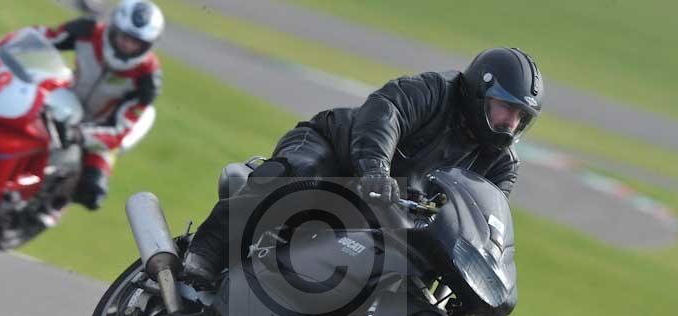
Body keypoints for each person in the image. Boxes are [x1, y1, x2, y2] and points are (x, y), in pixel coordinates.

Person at [183, 47, 544, 283]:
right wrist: (375, 169)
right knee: (296, 178)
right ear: (480, 93)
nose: (511, 122)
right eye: (505, 108)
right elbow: (386, 113)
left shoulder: (501, 164)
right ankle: (208, 249)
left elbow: (482, 217)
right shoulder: (435, 91)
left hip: (391, 211)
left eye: (520, 116)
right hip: (335, 152)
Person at [40, 0, 164, 211]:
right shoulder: (86, 31)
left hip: (98, 127)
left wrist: (81, 135)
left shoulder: (147, 78)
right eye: (125, 36)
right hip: (64, 98)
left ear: (148, 44)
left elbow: (121, 129)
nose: (127, 45)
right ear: (113, 27)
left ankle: (47, 211)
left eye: (136, 42)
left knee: (92, 192)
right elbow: (44, 40)